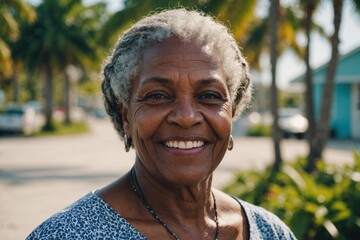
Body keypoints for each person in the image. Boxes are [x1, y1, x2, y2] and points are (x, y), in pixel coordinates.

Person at [27, 8, 297, 240]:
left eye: (209, 96)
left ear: (232, 112)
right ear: (125, 117)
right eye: (157, 96)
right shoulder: (69, 233)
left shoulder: (270, 231)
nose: (186, 116)